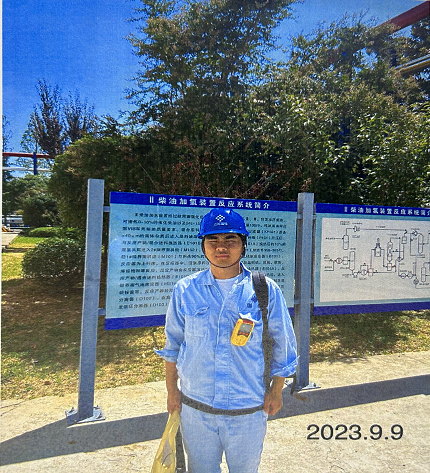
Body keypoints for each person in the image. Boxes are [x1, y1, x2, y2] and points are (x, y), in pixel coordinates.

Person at [155, 208, 298, 473]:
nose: (221, 247)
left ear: (243, 245)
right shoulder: (185, 290)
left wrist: (277, 391)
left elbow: (284, 346)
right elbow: (172, 346)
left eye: (230, 239)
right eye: (213, 240)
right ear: (203, 246)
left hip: (248, 409)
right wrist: (172, 391)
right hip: (196, 408)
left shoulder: (265, 290)